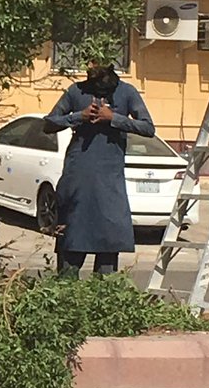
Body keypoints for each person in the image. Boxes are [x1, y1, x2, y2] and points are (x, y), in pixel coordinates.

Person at [42, 58, 155, 277]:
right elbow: (49, 123)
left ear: (108, 64)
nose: (90, 66)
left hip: (109, 185)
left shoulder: (126, 92)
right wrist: (79, 116)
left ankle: (102, 296)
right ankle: (66, 294)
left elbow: (148, 128)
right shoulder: (76, 91)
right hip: (78, 180)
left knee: (107, 257)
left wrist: (114, 118)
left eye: (95, 62)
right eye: (88, 62)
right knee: (70, 250)